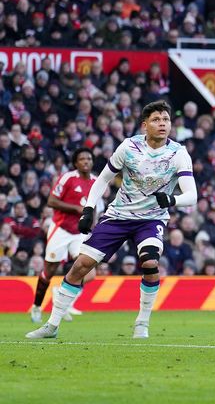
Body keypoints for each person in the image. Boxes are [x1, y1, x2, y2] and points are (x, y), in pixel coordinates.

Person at [26, 100, 197, 340]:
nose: (163, 124)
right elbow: (103, 179)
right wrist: (88, 209)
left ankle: (142, 323)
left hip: (151, 218)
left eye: (166, 120)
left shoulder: (178, 153)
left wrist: (172, 200)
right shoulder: (129, 147)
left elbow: (192, 195)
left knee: (150, 261)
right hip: (118, 215)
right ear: (145, 125)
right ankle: (51, 326)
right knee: (81, 266)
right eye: (157, 120)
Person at [29, 148, 98, 323]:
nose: (85, 161)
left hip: (79, 232)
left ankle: (62, 298)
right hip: (60, 229)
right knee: (49, 271)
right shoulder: (68, 178)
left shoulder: (96, 182)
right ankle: (36, 306)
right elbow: (51, 201)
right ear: (76, 163)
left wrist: (94, 224)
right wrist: (75, 208)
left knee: (89, 272)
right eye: (82, 159)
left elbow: (95, 206)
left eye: (88, 159)